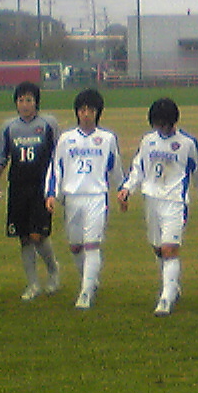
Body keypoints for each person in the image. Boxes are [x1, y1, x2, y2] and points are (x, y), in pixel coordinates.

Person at [117, 97, 198, 316]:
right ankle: (172, 285)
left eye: (164, 123)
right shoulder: (147, 141)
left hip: (175, 201)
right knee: (158, 248)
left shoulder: (187, 143)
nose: (161, 127)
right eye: (157, 123)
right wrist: (127, 189)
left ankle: (166, 297)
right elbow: (138, 168)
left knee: (170, 249)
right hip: (151, 199)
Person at [45, 89, 124, 310]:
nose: (86, 114)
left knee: (92, 245)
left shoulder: (107, 139)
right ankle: (89, 280)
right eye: (82, 110)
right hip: (72, 198)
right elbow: (56, 168)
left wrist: (122, 190)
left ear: (98, 112)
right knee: (75, 246)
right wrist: (51, 193)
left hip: (96, 197)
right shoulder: (66, 139)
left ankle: (86, 292)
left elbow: (115, 166)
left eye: (90, 110)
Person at [0, 82, 62, 301]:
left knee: (37, 235)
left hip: (41, 187)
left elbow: (59, 155)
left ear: (36, 102)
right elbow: (2, 157)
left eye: (29, 100)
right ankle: (33, 284)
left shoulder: (48, 124)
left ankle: (53, 270)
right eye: (21, 100)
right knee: (23, 237)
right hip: (18, 186)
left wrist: (57, 185)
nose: (24, 104)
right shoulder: (9, 127)